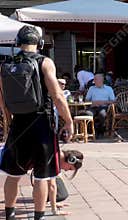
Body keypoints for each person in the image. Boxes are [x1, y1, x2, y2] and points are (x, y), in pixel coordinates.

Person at [0, 25, 73, 220]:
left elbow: (3, 100)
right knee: (43, 175)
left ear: (17, 42)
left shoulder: (6, 65)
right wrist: (68, 121)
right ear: (40, 43)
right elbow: (57, 95)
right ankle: (38, 216)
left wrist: (9, 123)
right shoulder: (45, 62)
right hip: (42, 125)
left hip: (18, 125)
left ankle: (10, 215)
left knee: (13, 175)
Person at [45, 150, 83, 216]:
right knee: (60, 194)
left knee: (61, 193)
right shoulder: (54, 160)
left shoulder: (57, 155)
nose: (66, 170)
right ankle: (39, 213)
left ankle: (43, 202)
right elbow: (52, 186)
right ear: (70, 160)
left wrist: (52, 202)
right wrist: (54, 210)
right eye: (70, 168)